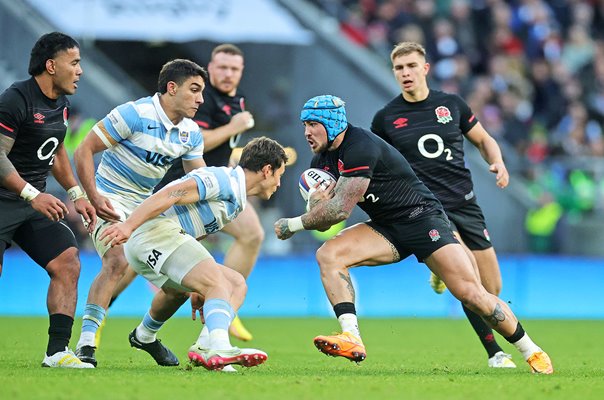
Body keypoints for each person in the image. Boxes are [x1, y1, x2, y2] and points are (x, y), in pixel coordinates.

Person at [274, 95, 553, 374]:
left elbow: (339, 212)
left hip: (422, 219)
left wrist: (293, 224)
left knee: (471, 294)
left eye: (312, 124)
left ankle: (532, 351)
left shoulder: (359, 146)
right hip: (386, 227)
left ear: (332, 123)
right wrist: (314, 204)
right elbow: (325, 222)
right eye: (304, 125)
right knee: (328, 254)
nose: (307, 132)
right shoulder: (321, 161)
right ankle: (352, 337)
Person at [370, 42, 516, 368]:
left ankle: (440, 274)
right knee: (469, 280)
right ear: (394, 73)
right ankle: (496, 353)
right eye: (399, 68)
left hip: (466, 204)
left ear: (424, 68)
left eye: (411, 66)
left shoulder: (451, 104)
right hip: (426, 208)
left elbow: (484, 140)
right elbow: (373, 161)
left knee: (492, 288)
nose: (405, 73)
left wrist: (499, 163)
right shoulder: (386, 118)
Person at [107, 43, 260, 343]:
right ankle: (100, 310)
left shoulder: (236, 102)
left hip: (211, 187)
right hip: (183, 187)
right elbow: (201, 140)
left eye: (234, 69)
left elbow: (219, 152)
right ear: (211, 68)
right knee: (140, 258)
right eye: (222, 67)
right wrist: (233, 127)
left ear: (241, 72)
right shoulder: (200, 99)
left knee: (246, 237)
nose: (228, 74)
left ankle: (219, 304)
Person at [98, 136, 287, 371]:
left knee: (236, 283)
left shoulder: (237, 199)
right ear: (267, 170)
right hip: (151, 234)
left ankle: (195, 343)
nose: (279, 183)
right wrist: (128, 226)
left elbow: (197, 227)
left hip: (162, 240)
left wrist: (197, 278)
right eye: (280, 174)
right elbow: (169, 193)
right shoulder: (222, 179)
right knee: (217, 282)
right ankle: (218, 346)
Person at [72, 59, 208, 368]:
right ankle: (86, 343)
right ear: (171, 88)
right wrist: (93, 197)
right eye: (195, 90)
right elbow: (83, 150)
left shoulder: (191, 133)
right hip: (108, 198)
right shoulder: (133, 114)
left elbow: (201, 185)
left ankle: (145, 335)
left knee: (183, 281)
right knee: (117, 259)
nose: (200, 99)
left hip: (145, 209)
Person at [0, 32, 96, 368]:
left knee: (68, 261)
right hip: (7, 198)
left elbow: (55, 154)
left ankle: (57, 352)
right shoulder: (15, 99)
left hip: (31, 202)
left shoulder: (62, 104)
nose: (80, 70)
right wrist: (32, 193)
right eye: (75, 62)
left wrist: (76, 195)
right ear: (51, 66)